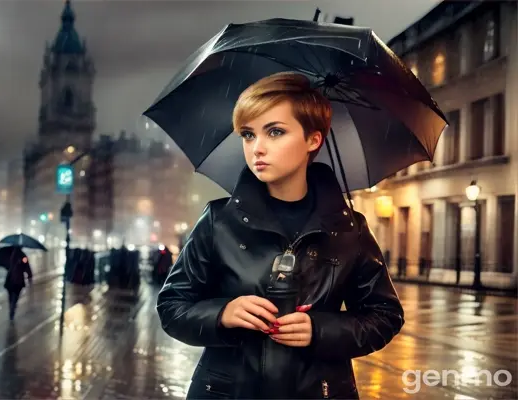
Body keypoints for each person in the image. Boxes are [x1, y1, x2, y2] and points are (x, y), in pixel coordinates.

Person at [156, 72, 404, 399]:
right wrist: (223, 314)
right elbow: (173, 307)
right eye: (247, 134)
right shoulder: (219, 220)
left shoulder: (349, 228)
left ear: (313, 140)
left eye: (275, 132)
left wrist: (321, 330)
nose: (257, 148)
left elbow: (385, 316)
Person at [4, 248, 33, 321]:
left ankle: (11, 308)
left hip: (10, 280)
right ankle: (12, 309)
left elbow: (7, 265)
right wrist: (30, 277)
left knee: (10, 296)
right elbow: (27, 267)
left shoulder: (9, 255)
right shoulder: (23, 256)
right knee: (15, 297)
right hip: (18, 280)